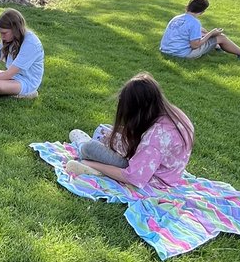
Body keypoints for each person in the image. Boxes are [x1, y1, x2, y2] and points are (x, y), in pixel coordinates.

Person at [65, 73, 194, 187]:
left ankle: (83, 148)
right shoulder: (175, 114)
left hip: (150, 176)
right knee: (104, 131)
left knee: (90, 148)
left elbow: (133, 177)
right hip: (156, 165)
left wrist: (90, 164)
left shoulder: (155, 139)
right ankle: (94, 151)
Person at [159, 0, 240, 61]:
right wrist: (211, 33)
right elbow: (195, 45)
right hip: (182, 54)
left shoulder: (177, 18)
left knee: (203, 32)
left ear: (188, 6)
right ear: (203, 11)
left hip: (166, 50)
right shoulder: (195, 23)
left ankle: (217, 46)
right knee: (221, 37)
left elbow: (188, 31)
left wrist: (207, 33)